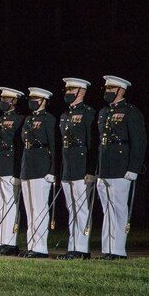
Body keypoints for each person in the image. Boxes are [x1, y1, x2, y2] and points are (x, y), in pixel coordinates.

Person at [96, 75, 147, 260]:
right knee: (107, 210)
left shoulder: (131, 112)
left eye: (111, 89)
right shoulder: (104, 112)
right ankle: (108, 249)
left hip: (121, 166)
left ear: (121, 91)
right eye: (106, 88)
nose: (107, 92)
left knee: (118, 208)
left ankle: (117, 250)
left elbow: (139, 142)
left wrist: (134, 167)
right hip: (105, 166)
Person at [56, 77, 97, 260]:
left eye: (71, 90)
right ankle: (73, 247)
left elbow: (92, 143)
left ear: (81, 92)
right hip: (68, 167)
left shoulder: (88, 113)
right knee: (71, 208)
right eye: (67, 90)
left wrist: (90, 169)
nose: (67, 93)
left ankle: (81, 248)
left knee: (81, 208)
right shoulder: (65, 115)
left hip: (81, 167)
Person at [19, 86, 57, 258]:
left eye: (35, 99)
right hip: (28, 166)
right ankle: (31, 244)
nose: (32, 102)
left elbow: (54, 146)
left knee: (40, 208)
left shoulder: (48, 119)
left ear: (43, 101)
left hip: (42, 166)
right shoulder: (28, 119)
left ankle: (40, 247)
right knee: (30, 209)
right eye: (31, 98)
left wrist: (52, 169)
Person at [0, 86, 26, 256]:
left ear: (14, 101)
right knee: (2, 204)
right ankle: (3, 241)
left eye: (7, 99)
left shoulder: (19, 119)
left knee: (11, 204)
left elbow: (19, 147)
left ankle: (10, 242)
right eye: (2, 99)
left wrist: (18, 170)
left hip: (11, 165)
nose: (3, 102)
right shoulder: (0, 120)